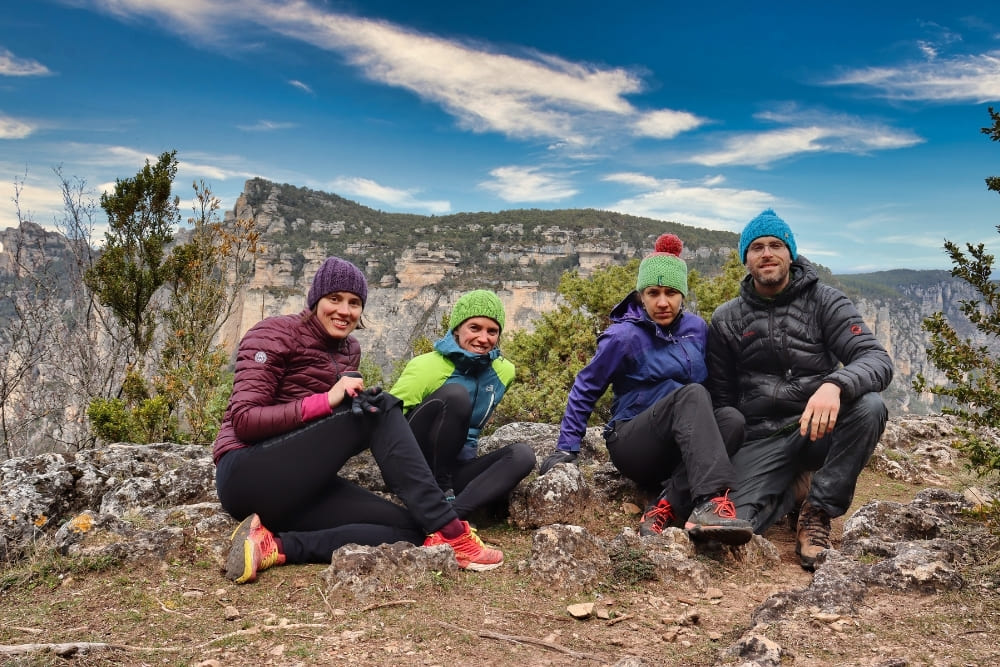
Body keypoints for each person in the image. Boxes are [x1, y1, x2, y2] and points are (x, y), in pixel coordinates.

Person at [213, 257, 504, 583]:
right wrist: (329, 400)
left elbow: (325, 431)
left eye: (354, 303)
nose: (344, 310)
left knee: (413, 528)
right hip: (246, 474)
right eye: (334, 299)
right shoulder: (274, 333)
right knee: (379, 408)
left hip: (301, 486)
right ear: (315, 300)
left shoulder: (349, 349)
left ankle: (276, 547)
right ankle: (453, 532)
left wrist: (346, 407)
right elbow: (244, 421)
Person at [706, 209, 894, 570]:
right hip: (760, 436)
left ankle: (818, 511)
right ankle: (791, 490)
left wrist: (835, 384)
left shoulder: (825, 302)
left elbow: (876, 359)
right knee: (729, 527)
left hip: (817, 428)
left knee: (870, 406)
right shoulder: (726, 319)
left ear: (790, 253)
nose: (767, 253)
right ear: (745, 259)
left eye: (776, 245)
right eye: (757, 247)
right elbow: (722, 397)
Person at [538, 234, 753, 545]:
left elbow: (713, 388)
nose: (662, 302)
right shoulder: (623, 336)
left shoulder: (697, 330)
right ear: (641, 295)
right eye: (653, 293)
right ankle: (709, 501)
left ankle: (662, 508)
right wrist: (566, 447)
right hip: (633, 442)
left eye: (671, 293)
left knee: (732, 419)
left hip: (679, 443)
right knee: (692, 394)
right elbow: (586, 388)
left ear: (683, 295)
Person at [390, 290, 535, 519]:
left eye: (492, 331)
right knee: (456, 396)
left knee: (522, 455)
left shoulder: (503, 372)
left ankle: (451, 518)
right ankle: (439, 493)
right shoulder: (426, 366)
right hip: (414, 468)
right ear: (457, 328)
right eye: (474, 328)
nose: (483, 338)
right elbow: (390, 418)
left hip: (457, 469)